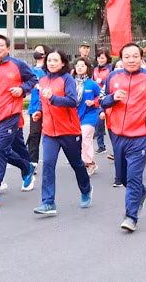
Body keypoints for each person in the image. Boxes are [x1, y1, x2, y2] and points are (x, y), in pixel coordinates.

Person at [101, 43, 146, 232]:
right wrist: (112, 98)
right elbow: (102, 101)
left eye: (135, 56)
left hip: (140, 134)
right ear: (121, 59)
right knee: (122, 177)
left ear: (141, 58)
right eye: (127, 57)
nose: (131, 60)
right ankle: (142, 191)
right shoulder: (113, 77)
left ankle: (131, 216)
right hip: (117, 133)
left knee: (133, 177)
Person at [0, 34, 38, 209]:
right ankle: (26, 167)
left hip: (10, 116)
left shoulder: (18, 65)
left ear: (8, 48)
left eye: (1, 45)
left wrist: (22, 89)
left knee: (0, 152)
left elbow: (33, 79)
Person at [33, 50, 93, 215]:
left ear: (63, 63)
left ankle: (86, 189)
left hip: (69, 131)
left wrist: (53, 98)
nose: (51, 63)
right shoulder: (43, 79)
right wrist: (39, 111)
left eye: (55, 60)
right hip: (49, 132)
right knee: (48, 165)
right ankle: (48, 202)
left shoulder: (67, 79)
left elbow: (72, 101)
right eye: (49, 60)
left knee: (77, 164)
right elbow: (43, 101)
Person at [74, 57, 101, 175]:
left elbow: (102, 97)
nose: (79, 68)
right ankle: (89, 162)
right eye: (77, 66)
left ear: (87, 68)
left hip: (90, 115)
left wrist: (93, 102)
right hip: (75, 116)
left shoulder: (92, 84)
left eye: (82, 65)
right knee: (78, 139)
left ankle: (88, 162)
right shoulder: (71, 83)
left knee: (85, 136)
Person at [27, 45, 48, 167]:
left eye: (40, 51)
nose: (37, 53)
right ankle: (32, 161)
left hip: (48, 106)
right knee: (34, 134)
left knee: (49, 136)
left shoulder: (48, 70)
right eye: (36, 50)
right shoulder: (31, 70)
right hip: (34, 107)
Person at [93, 49, 113, 154]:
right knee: (99, 123)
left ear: (107, 58)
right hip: (97, 98)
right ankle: (101, 146)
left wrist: (103, 81)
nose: (100, 60)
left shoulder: (110, 69)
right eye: (98, 58)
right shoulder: (95, 69)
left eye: (102, 58)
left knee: (111, 124)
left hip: (108, 98)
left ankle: (116, 147)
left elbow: (113, 82)